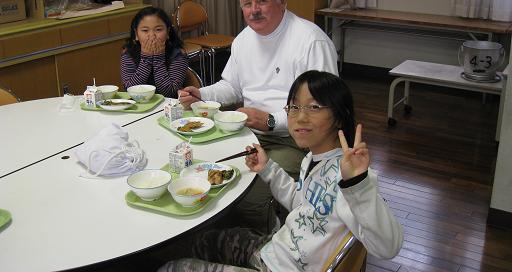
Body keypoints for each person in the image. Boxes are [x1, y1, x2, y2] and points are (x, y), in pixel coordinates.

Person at [158, 70, 403, 272]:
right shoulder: (313, 159)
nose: (300, 117)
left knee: (172, 268)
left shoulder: (350, 179)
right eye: (294, 107)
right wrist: (268, 169)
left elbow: (388, 247)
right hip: (275, 250)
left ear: (339, 117)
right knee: (205, 240)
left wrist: (358, 186)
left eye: (314, 107)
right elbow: (302, 205)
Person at [179, 0, 338, 232]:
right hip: (249, 134)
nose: (254, 11)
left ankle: (269, 242)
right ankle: (225, 239)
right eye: (247, 4)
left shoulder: (310, 41)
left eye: (262, 1)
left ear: (283, 0)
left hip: (296, 142)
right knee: (208, 177)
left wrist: (272, 120)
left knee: (246, 198)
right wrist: (203, 94)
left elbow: (324, 110)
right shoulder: (243, 40)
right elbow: (231, 86)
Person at [121, 6, 188, 98]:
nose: (152, 36)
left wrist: (158, 58)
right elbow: (130, 90)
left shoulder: (177, 55)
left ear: (168, 32)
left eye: (158, 30)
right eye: (145, 30)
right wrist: (146, 59)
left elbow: (170, 93)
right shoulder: (128, 54)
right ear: (136, 34)